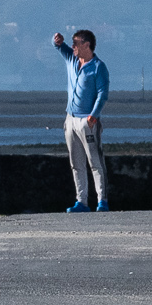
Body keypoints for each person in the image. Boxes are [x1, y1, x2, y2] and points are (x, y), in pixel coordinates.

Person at [53, 29, 112, 211]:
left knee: (95, 161)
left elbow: (103, 93)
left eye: (76, 43)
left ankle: (102, 200)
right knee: (76, 163)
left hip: (87, 121)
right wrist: (57, 40)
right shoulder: (72, 59)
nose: (73, 46)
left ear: (87, 45)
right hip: (70, 118)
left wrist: (93, 115)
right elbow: (59, 47)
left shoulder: (98, 67)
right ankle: (82, 201)